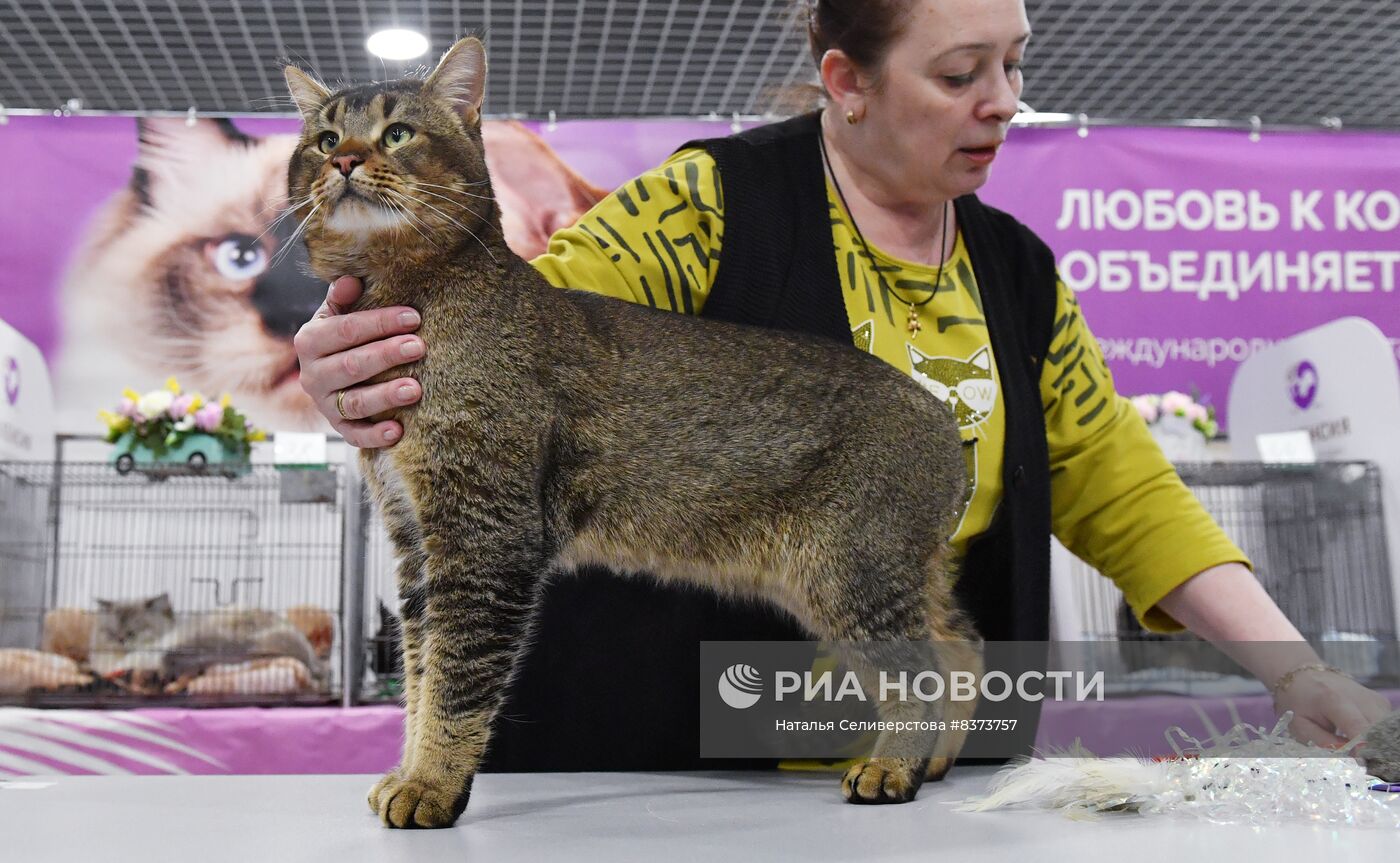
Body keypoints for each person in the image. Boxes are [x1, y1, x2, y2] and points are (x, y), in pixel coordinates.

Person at [294, 0, 1391, 762]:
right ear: (845, 84)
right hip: (681, 773)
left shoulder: (1015, 270)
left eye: (1015, 63)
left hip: (924, 781)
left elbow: (1122, 487)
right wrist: (354, 361)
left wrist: (1297, 675)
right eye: (960, 74)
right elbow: (515, 326)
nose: (1002, 101)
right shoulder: (703, 203)